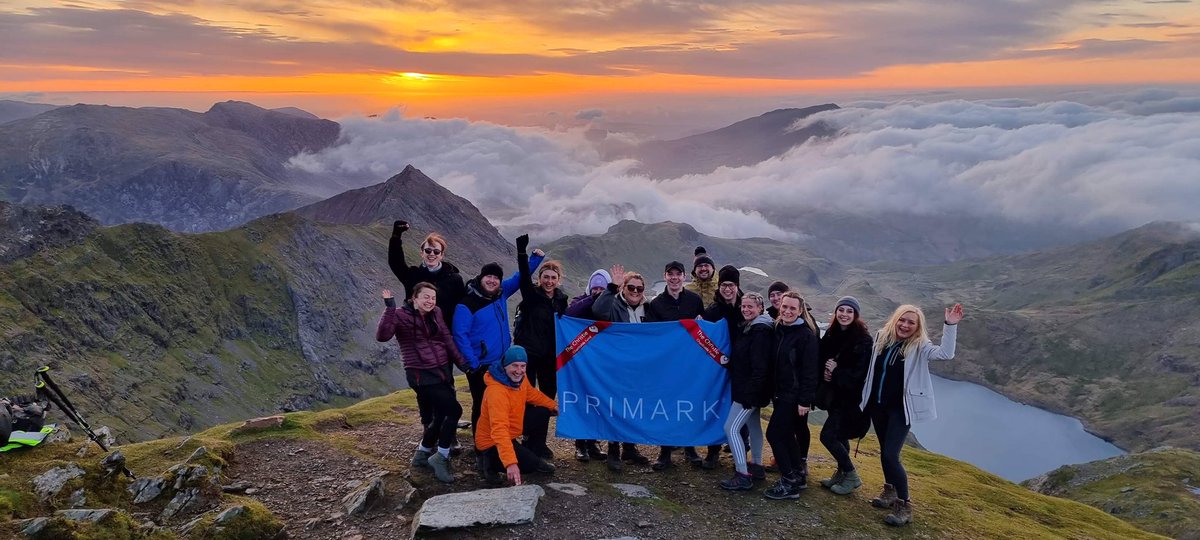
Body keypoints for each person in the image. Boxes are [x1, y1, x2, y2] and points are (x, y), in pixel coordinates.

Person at [861, 303, 964, 526]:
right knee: (884, 452)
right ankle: (889, 491)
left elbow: (945, 354)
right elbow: (869, 367)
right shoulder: (881, 338)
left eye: (911, 322)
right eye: (902, 320)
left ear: (917, 327)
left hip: (901, 410)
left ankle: (904, 505)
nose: (905, 325)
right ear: (895, 319)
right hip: (878, 407)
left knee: (890, 455)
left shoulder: (920, 345)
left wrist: (950, 326)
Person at [388, 222, 468, 451]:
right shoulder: (413, 275)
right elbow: (395, 262)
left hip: (443, 340)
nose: (432, 255)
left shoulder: (454, 279)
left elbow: (462, 306)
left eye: (436, 251)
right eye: (428, 250)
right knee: (424, 389)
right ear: (422, 252)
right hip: (417, 341)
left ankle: (449, 433)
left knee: (447, 383)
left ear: (442, 254)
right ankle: (429, 429)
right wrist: (396, 236)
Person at [376, 283, 466, 482]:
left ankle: (422, 454)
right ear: (414, 298)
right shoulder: (400, 314)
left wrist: (462, 362)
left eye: (433, 298)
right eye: (426, 297)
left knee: (441, 414)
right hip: (420, 374)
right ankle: (441, 457)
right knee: (454, 411)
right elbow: (382, 336)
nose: (430, 301)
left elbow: (446, 337)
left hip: (441, 370)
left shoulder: (437, 313)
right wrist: (389, 307)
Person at [453, 250, 545, 434]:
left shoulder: (501, 294)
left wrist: (536, 259)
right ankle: (481, 448)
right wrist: (473, 364)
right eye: (489, 276)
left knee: (501, 401)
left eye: (496, 278)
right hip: (480, 365)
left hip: (501, 363)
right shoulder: (467, 304)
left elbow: (520, 277)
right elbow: (459, 335)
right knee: (481, 403)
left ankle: (498, 438)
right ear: (481, 277)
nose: (492, 280)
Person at [591, 264, 653, 471]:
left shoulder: (649, 307)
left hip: (640, 367)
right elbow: (598, 311)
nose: (635, 292)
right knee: (616, 406)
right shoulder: (614, 305)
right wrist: (611, 287)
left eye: (639, 288)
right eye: (631, 288)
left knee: (633, 407)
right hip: (617, 365)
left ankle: (629, 447)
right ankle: (613, 450)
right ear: (624, 288)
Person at [645, 261, 706, 471]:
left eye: (677, 274)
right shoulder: (656, 304)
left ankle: (690, 448)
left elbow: (702, 329)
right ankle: (664, 453)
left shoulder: (694, 301)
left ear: (683, 277)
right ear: (664, 276)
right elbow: (652, 335)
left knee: (688, 406)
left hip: (690, 364)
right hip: (666, 365)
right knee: (667, 407)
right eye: (670, 274)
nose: (674, 278)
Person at [512, 234, 568, 460]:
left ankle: (539, 442)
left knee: (546, 397)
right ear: (540, 278)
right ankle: (523, 438)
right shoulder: (531, 295)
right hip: (528, 354)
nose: (549, 281)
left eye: (553, 277)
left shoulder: (562, 299)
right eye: (545, 277)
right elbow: (524, 277)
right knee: (524, 397)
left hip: (549, 357)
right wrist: (521, 252)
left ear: (558, 279)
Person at [763, 291, 821, 500]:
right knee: (786, 435)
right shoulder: (779, 329)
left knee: (774, 434)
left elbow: (810, 371)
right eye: (784, 307)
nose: (787, 311)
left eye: (792, 308)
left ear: (800, 311)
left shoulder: (806, 335)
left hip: (793, 395)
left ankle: (788, 482)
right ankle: (798, 475)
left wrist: (805, 400)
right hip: (780, 393)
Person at [475, 345, 559, 486]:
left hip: (510, 432)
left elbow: (532, 394)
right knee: (529, 466)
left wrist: (553, 405)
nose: (519, 371)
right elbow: (499, 429)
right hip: (491, 442)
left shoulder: (521, 378)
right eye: (514, 366)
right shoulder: (496, 392)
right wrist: (510, 463)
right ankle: (489, 463)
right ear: (505, 366)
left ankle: (530, 454)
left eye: (523, 366)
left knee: (543, 412)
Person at [817, 296, 873, 495]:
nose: (844, 314)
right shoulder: (832, 334)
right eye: (841, 310)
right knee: (839, 436)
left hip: (850, 400)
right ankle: (840, 474)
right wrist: (825, 372)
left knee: (828, 436)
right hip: (834, 396)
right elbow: (822, 357)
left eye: (850, 311)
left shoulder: (863, 340)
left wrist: (836, 370)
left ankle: (851, 475)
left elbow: (860, 374)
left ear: (856, 315)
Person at [718, 292, 773, 491]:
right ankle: (757, 466)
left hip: (749, 392)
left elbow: (760, 368)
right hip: (750, 389)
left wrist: (751, 395)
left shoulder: (760, 331)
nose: (746, 310)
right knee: (754, 425)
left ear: (760, 309)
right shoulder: (752, 328)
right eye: (744, 306)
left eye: (751, 307)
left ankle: (742, 473)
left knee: (730, 428)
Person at [563, 268, 611, 462]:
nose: (598, 290)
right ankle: (580, 445)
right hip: (581, 361)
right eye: (595, 287)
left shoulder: (612, 302)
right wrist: (595, 298)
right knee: (581, 402)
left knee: (597, 402)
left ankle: (593, 444)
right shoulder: (580, 301)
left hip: (602, 361)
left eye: (602, 287)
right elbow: (570, 312)